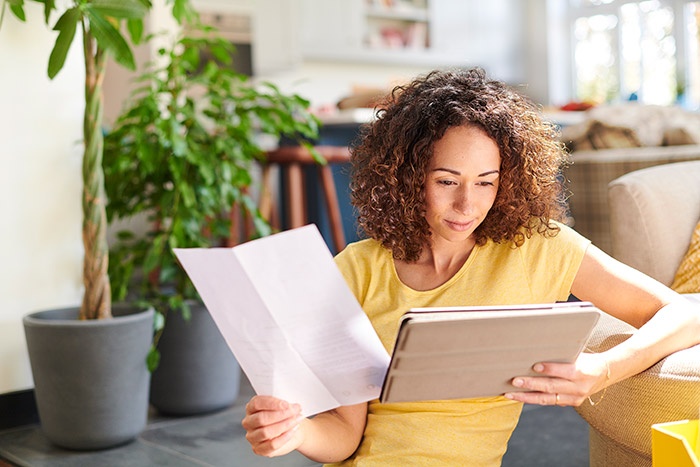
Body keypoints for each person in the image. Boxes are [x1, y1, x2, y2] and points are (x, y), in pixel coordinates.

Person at [242, 68, 700, 466]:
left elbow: (686, 312)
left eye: (486, 183)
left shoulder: (538, 247)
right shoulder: (357, 269)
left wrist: (604, 369)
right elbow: (344, 437)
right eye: (446, 181)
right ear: (406, 176)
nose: (467, 204)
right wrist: (295, 432)